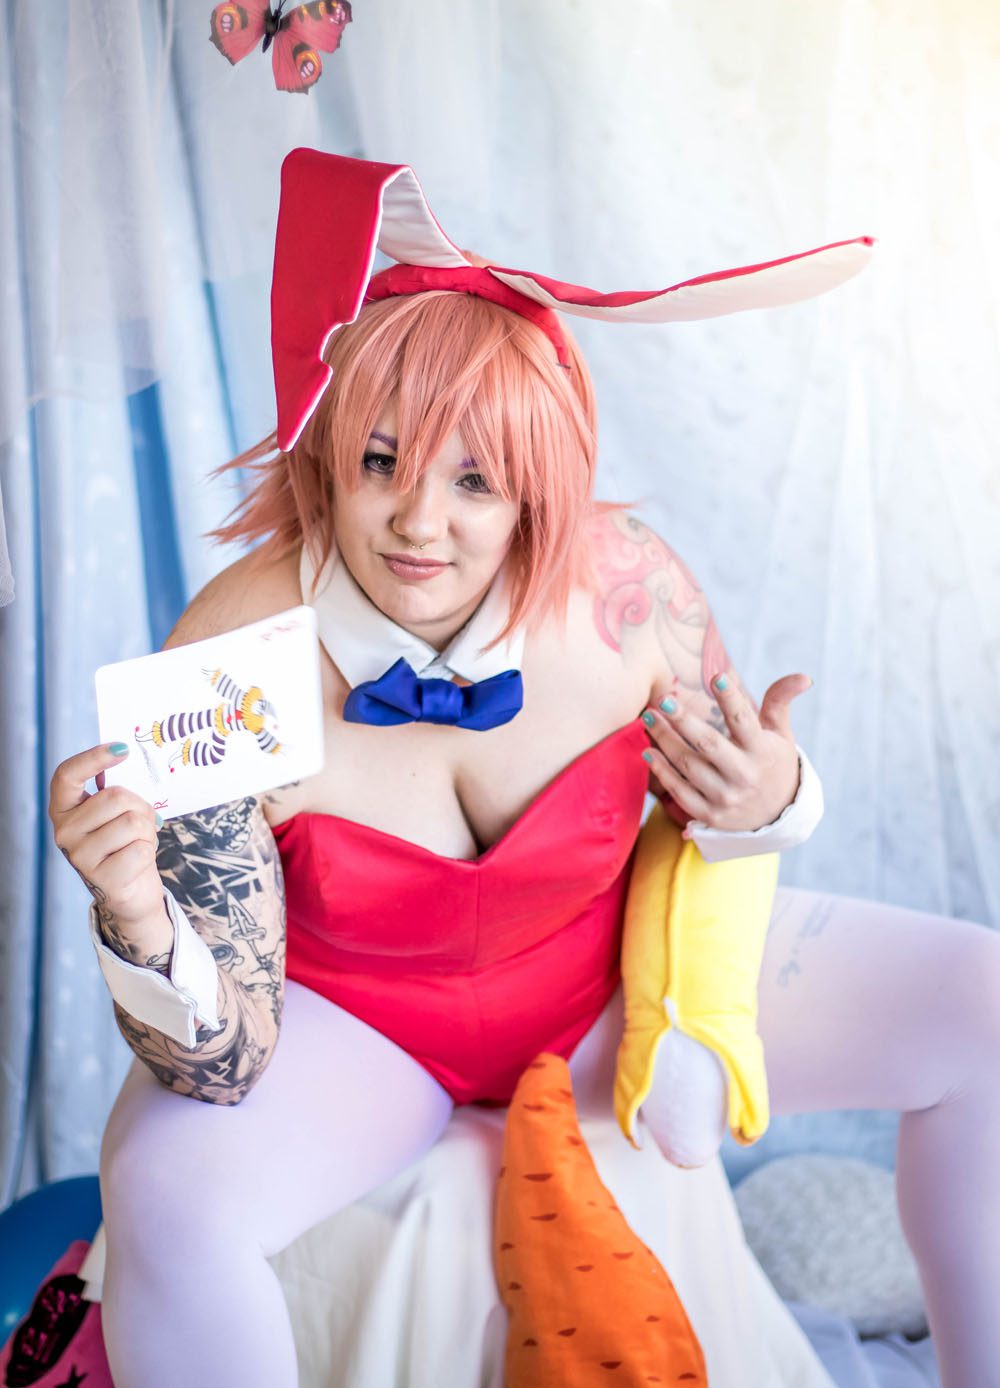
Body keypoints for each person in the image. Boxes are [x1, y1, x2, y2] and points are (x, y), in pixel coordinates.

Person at [48, 152, 1000, 1388]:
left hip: (604, 995)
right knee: (162, 1187)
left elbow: (721, 832)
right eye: (379, 462)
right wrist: (136, 911)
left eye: (475, 479)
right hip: (361, 1040)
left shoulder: (627, 591)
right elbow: (216, 1062)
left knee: (980, 999)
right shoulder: (232, 654)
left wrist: (768, 798)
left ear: (539, 488)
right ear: (324, 452)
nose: (418, 524)